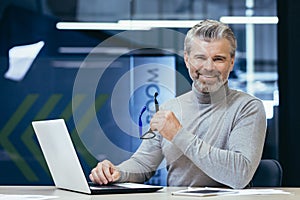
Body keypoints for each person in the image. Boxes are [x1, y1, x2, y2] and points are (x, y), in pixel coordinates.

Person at [89, 19, 266, 189]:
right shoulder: (170, 109)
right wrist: (116, 172)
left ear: (231, 62)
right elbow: (143, 164)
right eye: (200, 58)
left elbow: (239, 174)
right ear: (187, 59)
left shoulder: (248, 108)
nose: (209, 67)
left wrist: (178, 134)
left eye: (218, 59)